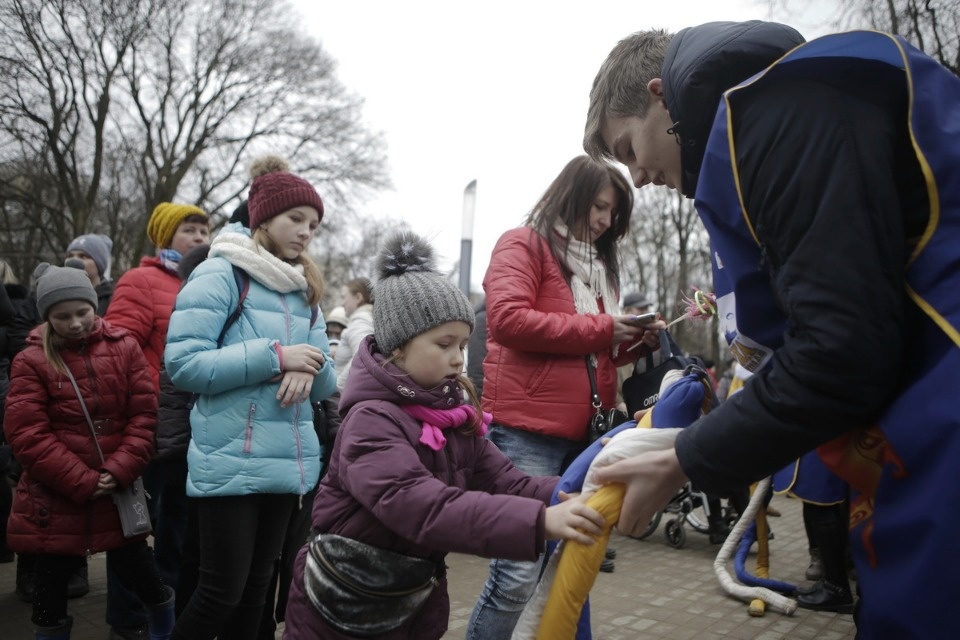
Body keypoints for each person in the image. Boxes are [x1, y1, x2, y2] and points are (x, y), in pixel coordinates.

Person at [583, 20, 960, 638]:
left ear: (660, 95)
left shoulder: (775, 113)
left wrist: (685, 458)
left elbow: (841, 350)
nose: (640, 177)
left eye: (628, 150)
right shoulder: (765, 126)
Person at [281, 230, 604, 640]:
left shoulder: (450, 416)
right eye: (444, 343)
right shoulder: (370, 423)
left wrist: (578, 490)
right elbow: (425, 508)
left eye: (463, 344)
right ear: (398, 346)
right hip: (345, 605)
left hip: (411, 596)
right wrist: (539, 523)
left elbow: (510, 481)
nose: (458, 358)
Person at [466, 155, 663, 639]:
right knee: (515, 576)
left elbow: (589, 355)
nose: (604, 221)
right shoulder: (521, 245)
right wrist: (604, 328)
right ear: (570, 196)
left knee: (568, 569)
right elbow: (508, 320)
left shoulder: (596, 270)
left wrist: (634, 341)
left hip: (581, 437)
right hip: (523, 434)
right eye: (599, 207)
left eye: (613, 214)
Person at [164, 154, 337, 640]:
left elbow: (326, 380)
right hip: (230, 460)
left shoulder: (306, 287)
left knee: (257, 592)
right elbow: (183, 364)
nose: (306, 232)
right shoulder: (222, 273)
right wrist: (277, 357)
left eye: (314, 224)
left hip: (289, 463)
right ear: (263, 218)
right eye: (296, 219)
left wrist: (310, 367)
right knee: (220, 592)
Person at [3, 263, 174, 640]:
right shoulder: (31, 361)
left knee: (140, 567)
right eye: (63, 316)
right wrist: (80, 479)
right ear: (47, 317)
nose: (76, 323)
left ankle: (164, 625)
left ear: (93, 305)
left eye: (82, 312)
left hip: (116, 487)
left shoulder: (124, 347)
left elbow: (143, 416)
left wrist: (121, 468)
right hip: (56, 492)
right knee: (51, 579)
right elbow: (27, 432)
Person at [103, 201, 209, 639]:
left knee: (179, 522)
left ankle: (167, 607)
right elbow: (116, 350)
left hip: (191, 426)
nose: (201, 238)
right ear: (165, 237)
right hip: (146, 423)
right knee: (133, 522)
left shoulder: (209, 282)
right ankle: (127, 617)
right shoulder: (141, 281)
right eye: (190, 230)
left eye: (205, 230)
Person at [333, 277, 374, 391]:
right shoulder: (366, 318)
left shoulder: (360, 320)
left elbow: (361, 355)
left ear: (358, 297)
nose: (342, 303)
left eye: (344, 297)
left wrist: (338, 386)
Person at [65, 233, 114, 314]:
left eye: (82, 256)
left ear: (99, 264)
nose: (73, 260)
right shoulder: (53, 295)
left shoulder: (111, 300)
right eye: (70, 256)